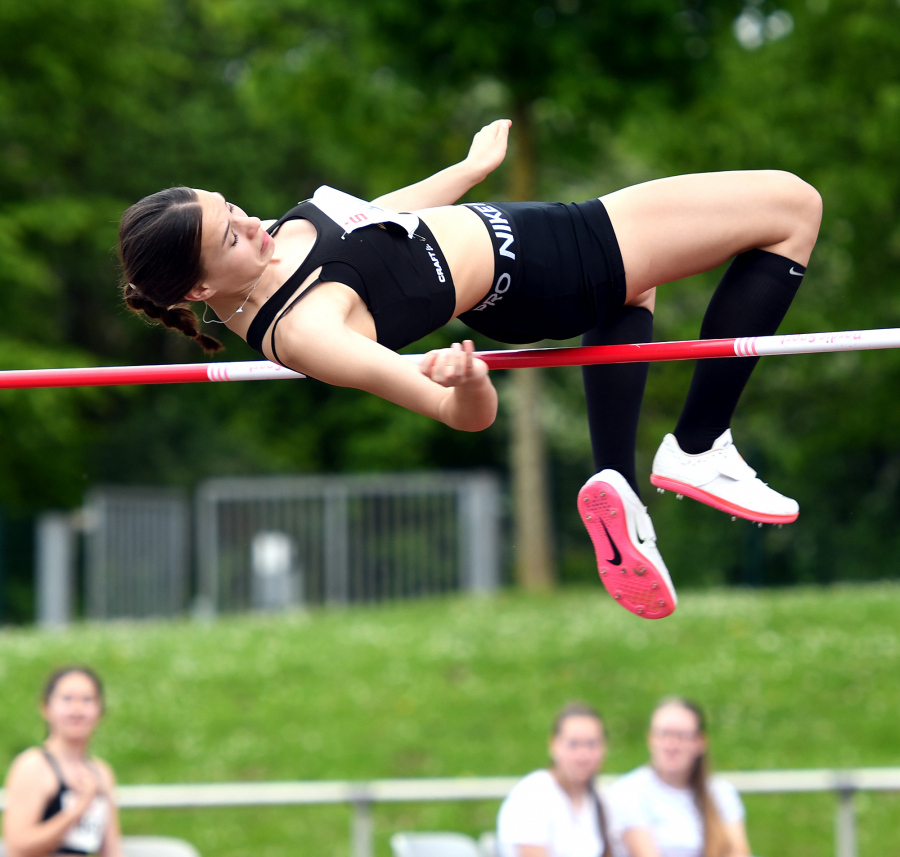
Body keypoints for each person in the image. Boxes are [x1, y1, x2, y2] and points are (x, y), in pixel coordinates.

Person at [117, 118, 822, 620]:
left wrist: (468, 171)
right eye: (231, 235)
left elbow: (372, 226)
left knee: (637, 285)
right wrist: (470, 383)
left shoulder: (261, 262)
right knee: (792, 206)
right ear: (200, 292)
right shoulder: (307, 331)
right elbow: (459, 415)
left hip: (521, 250)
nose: (254, 224)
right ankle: (699, 445)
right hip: (547, 264)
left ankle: (619, 484)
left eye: (233, 207)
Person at [3, 667, 130, 857]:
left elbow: (112, 856)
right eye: (67, 699)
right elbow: (16, 851)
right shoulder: (33, 766)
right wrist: (77, 809)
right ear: (46, 708)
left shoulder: (101, 773)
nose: (77, 709)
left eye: (87, 700)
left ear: (100, 711)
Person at [606, 697, 751, 857]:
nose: (671, 744)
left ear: (700, 742)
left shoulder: (720, 791)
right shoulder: (628, 791)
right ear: (650, 739)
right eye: (663, 734)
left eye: (682, 736)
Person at [496, 702, 614, 857]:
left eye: (592, 744)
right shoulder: (531, 796)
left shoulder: (601, 797)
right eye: (573, 744)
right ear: (553, 745)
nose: (583, 755)